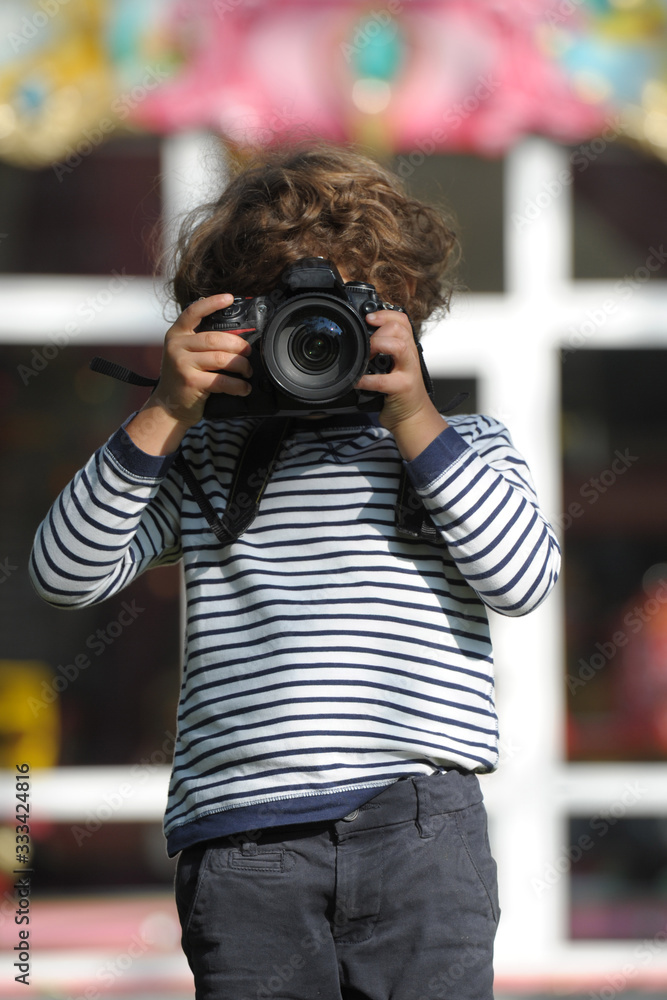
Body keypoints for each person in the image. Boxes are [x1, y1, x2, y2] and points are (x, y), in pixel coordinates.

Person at [30, 142, 560, 1000]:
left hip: (418, 828)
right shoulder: (200, 453)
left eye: (345, 313)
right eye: (282, 316)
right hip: (243, 844)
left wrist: (416, 415)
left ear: (406, 310)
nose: (313, 339)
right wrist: (166, 408)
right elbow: (62, 571)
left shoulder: (461, 446)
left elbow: (521, 580)